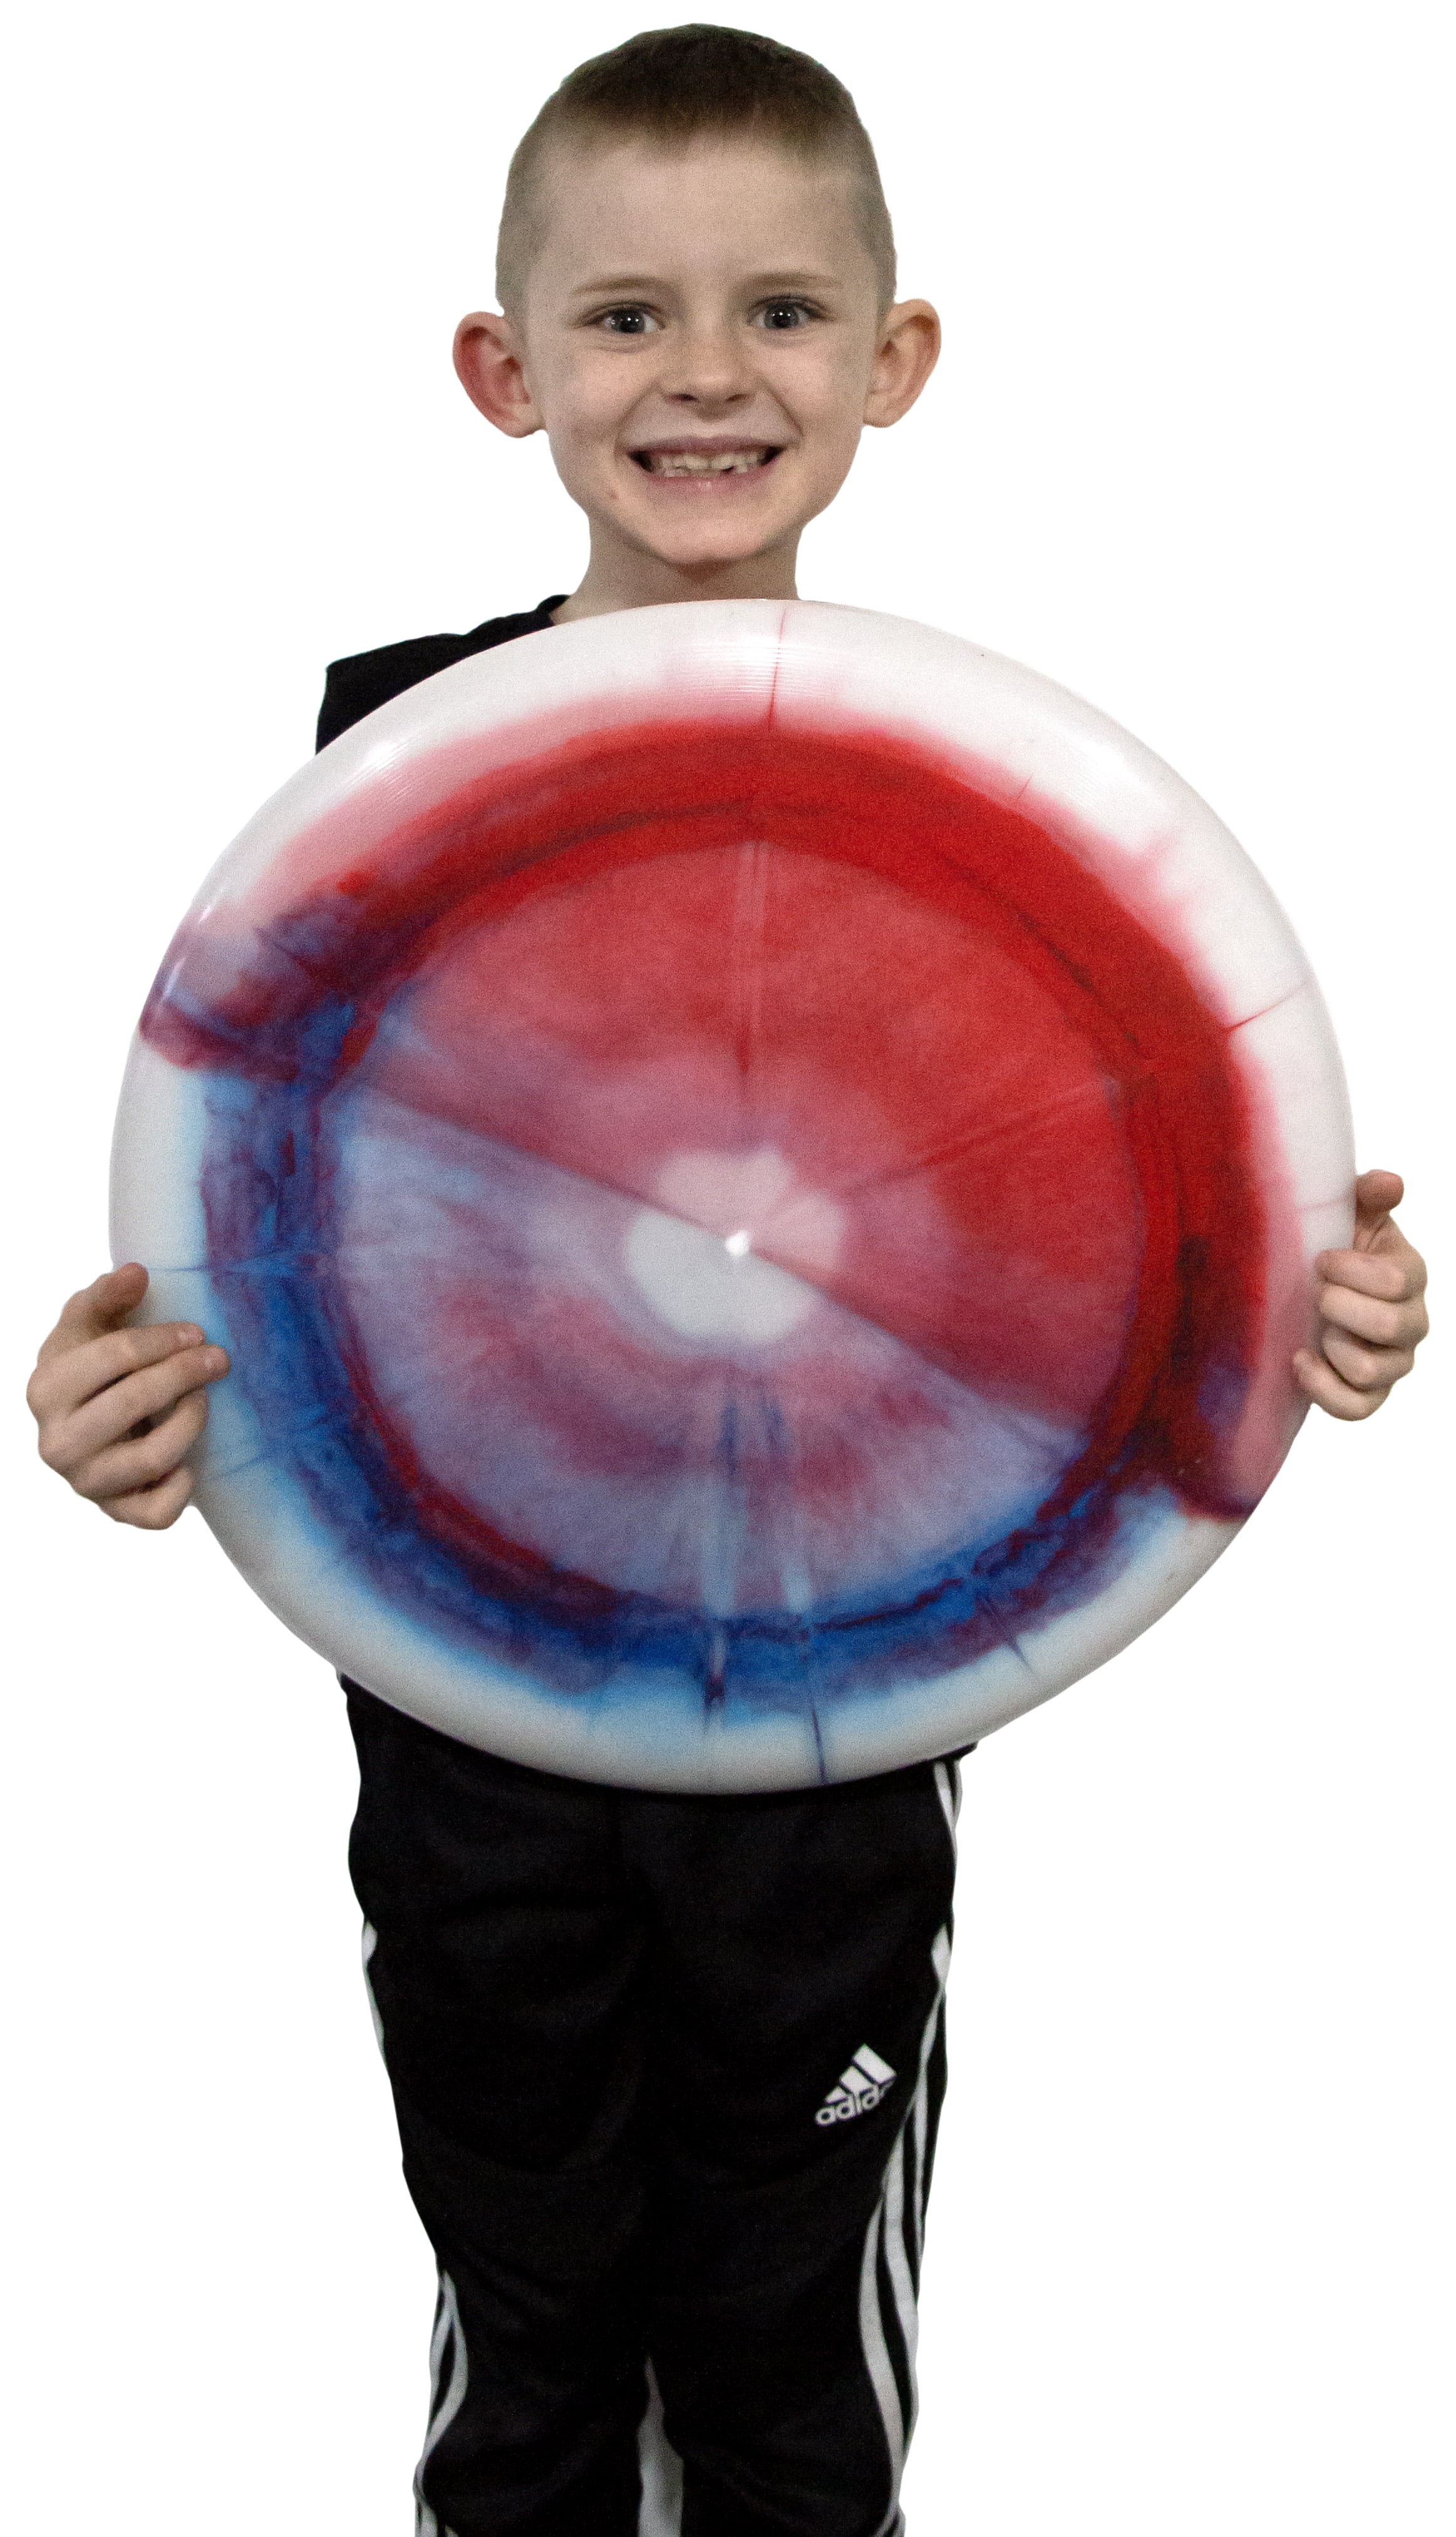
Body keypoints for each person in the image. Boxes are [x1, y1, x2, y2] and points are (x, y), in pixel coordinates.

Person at [23, 25, 1431, 2537]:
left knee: (788, 2356)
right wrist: (118, 1396)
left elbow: (1077, 1215)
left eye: (782, 310)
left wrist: (1302, 1312)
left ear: (896, 360)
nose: (705, 375)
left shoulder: (969, 798)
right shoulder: (386, 769)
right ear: (505, 369)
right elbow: (274, 1214)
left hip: (830, 1714)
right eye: (627, 316)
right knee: (529, 2316)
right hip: (472, 1699)